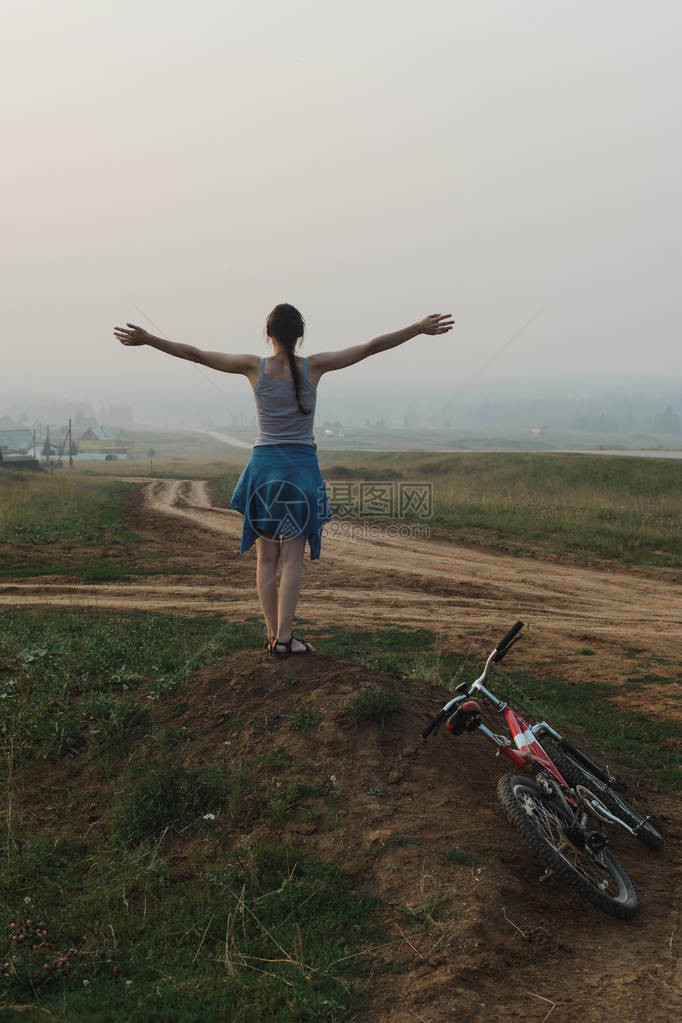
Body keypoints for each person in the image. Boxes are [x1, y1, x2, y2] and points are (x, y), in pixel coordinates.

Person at [114, 305, 454, 658]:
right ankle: (286, 638)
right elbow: (370, 348)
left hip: (263, 469)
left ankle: (274, 636)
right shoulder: (315, 367)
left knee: (266, 560)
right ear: (300, 336)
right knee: (292, 558)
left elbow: (196, 354)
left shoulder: (252, 367)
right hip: (301, 470)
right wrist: (417, 328)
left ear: (268, 334)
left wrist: (149, 339)